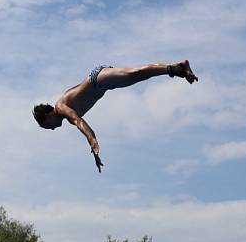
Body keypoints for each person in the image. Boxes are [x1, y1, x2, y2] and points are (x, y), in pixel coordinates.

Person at [33, 60, 198, 172]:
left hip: (98, 79)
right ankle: (177, 70)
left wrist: (92, 140)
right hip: (102, 83)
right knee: (138, 76)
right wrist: (95, 148)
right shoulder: (62, 108)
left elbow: (78, 120)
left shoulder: (60, 107)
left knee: (137, 73)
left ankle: (178, 67)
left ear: (47, 115)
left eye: (46, 125)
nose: (51, 128)